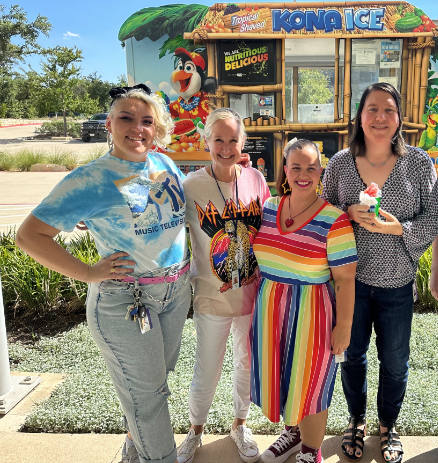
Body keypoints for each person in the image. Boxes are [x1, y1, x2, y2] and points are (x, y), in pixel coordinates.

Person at [15, 84, 191, 463]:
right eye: (126, 118)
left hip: (175, 292)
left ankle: (134, 447)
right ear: (109, 124)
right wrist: (88, 272)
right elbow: (29, 236)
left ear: (157, 128)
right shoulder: (89, 178)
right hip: (126, 301)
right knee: (149, 398)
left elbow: (160, 214)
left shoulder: (163, 164)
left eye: (147, 121)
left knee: (155, 383)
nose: (137, 128)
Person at [322, 82, 437, 463]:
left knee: (395, 359)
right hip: (350, 284)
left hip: (396, 284)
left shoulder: (418, 163)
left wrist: (397, 228)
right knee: (352, 355)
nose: (380, 117)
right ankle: (356, 420)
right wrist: (346, 214)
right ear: (360, 116)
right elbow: (320, 216)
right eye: (372, 109)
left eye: (388, 110)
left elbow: (433, 218)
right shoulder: (340, 164)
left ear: (400, 117)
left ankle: (388, 423)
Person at [250, 138, 358, 463]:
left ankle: (311, 452)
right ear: (285, 170)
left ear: (320, 171)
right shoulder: (268, 208)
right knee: (285, 376)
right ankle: (293, 434)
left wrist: (345, 327)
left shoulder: (334, 220)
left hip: (313, 314)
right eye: (296, 166)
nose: (303, 174)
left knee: (311, 384)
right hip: (271, 311)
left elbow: (345, 279)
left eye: (311, 167)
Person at [177, 108, 271, 463]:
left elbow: (273, 226)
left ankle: (239, 425)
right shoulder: (190, 186)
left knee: (245, 363)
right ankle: (195, 430)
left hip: (251, 294)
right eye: (219, 139)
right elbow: (157, 219)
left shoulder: (255, 180)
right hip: (210, 296)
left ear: (242, 142)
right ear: (206, 142)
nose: (227, 147)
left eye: (233, 140)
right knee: (207, 367)